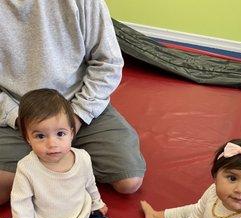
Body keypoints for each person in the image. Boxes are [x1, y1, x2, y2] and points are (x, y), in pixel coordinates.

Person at [0, 0, 146, 206]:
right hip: (18, 113)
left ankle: (64, 168)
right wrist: (20, 119)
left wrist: (77, 116)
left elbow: (108, 63)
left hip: (78, 102)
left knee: (129, 181)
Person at [0, 88, 109, 218]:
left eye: (60, 134)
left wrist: (97, 203)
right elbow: (21, 206)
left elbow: (90, 183)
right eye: (40, 136)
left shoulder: (82, 158)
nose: (52, 144)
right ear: (28, 138)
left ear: (72, 133)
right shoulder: (26, 168)